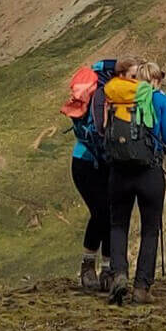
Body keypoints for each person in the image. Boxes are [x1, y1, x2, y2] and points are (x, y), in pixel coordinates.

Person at [99, 61, 166, 304]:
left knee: (118, 224)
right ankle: (142, 287)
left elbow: (104, 130)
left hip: (119, 171)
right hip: (149, 172)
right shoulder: (158, 99)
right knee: (150, 230)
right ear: (154, 80)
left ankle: (119, 274)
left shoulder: (117, 97)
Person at [68, 59, 114, 291]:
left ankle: (99, 268)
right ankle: (94, 267)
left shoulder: (104, 84)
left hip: (84, 161)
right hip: (95, 162)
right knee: (103, 212)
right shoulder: (110, 92)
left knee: (104, 212)